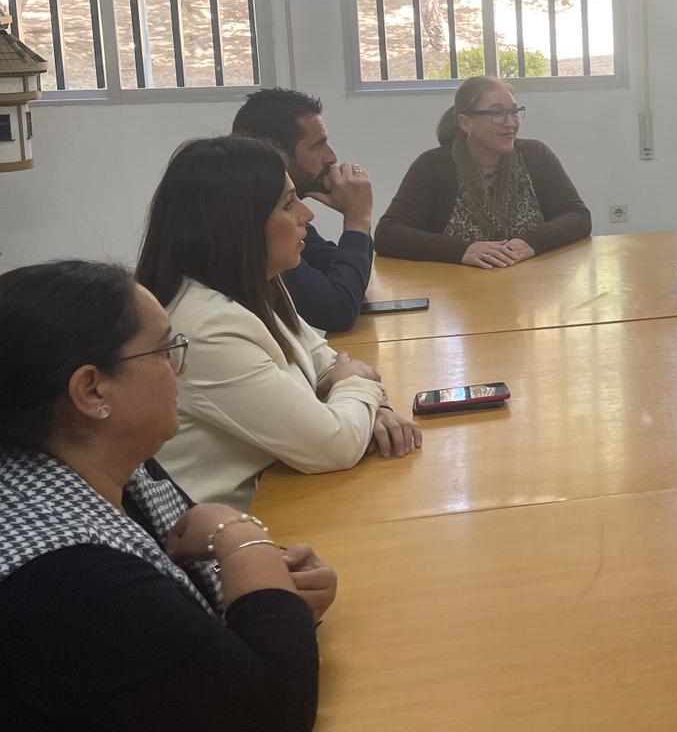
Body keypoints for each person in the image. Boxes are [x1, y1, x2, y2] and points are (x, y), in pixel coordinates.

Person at [0, 260, 332, 730]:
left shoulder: (116, 469)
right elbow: (275, 706)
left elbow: (197, 600)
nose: (182, 365)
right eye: (164, 350)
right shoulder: (64, 575)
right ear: (92, 390)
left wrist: (275, 589)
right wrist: (241, 538)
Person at [138, 136, 420, 510]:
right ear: (238, 226)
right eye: (289, 204)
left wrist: (373, 410)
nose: (308, 214)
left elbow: (325, 362)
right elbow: (333, 444)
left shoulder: (255, 284)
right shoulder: (206, 328)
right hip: (225, 536)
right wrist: (355, 387)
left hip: (284, 495)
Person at [374, 77, 591, 268]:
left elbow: (578, 216)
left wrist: (533, 241)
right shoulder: (433, 165)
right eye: (497, 113)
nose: (511, 123)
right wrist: (462, 250)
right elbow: (388, 234)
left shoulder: (536, 155)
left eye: (514, 112)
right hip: (457, 294)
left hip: (531, 284)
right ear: (466, 122)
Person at [232, 87, 373, 334]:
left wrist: (357, 223)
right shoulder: (254, 225)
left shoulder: (281, 215)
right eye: (319, 145)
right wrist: (358, 219)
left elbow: (340, 271)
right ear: (278, 154)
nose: (332, 157)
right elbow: (337, 311)